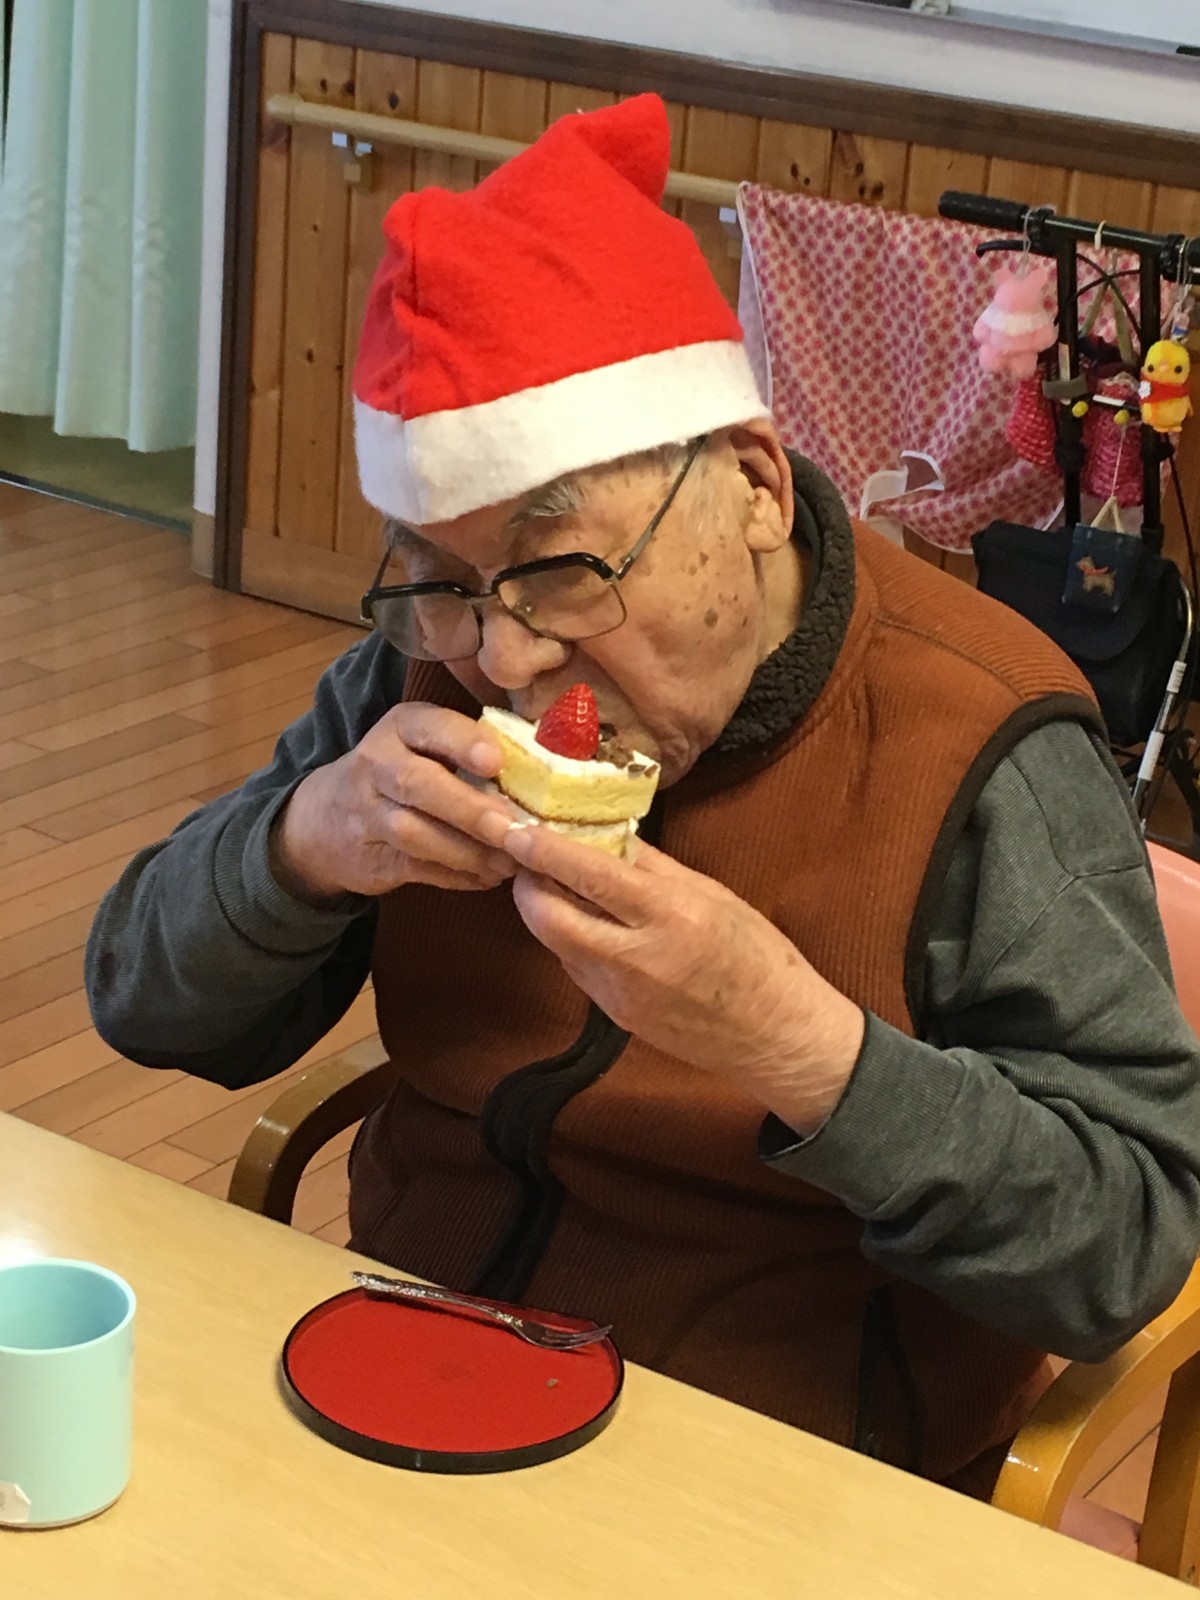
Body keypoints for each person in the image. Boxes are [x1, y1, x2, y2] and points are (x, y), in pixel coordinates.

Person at [87, 94, 1200, 1496]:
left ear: (752, 489)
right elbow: (137, 999)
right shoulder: (420, 668)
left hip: (787, 1454)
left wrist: (800, 1045)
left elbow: (1125, 1242)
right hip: (412, 1360)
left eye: (564, 574)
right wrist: (295, 853)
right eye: (445, 581)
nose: (504, 662)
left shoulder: (987, 737)